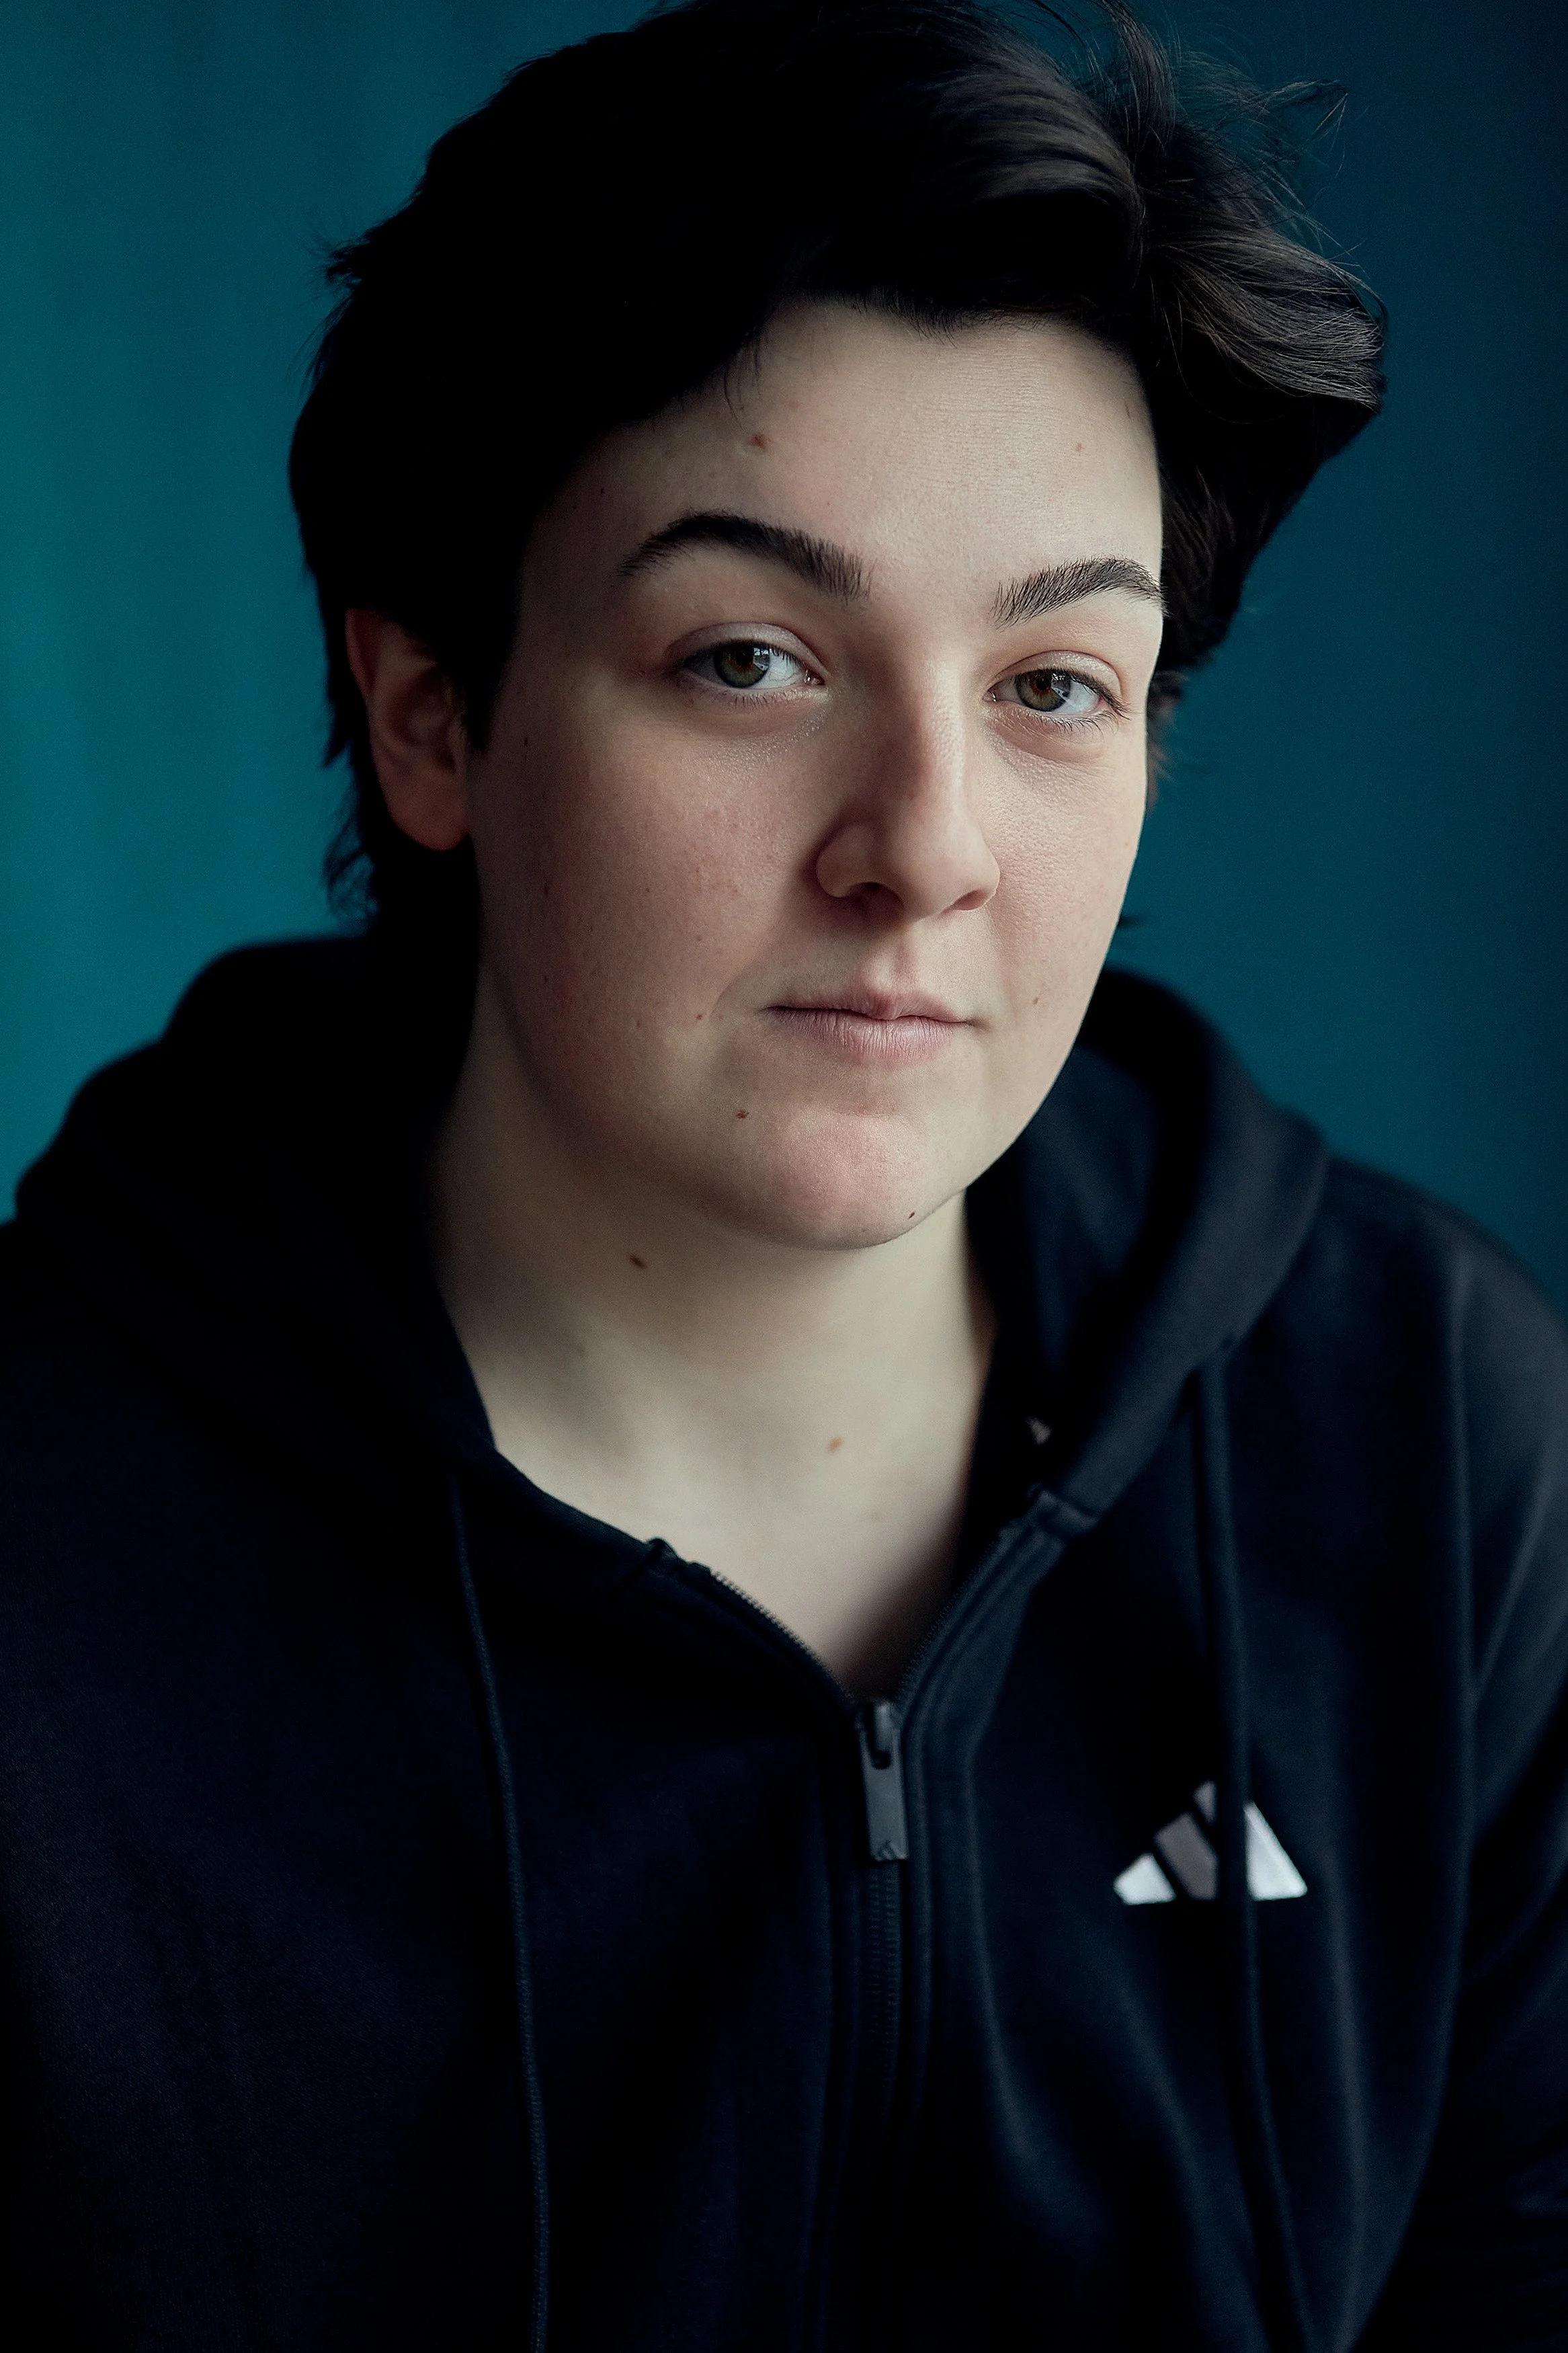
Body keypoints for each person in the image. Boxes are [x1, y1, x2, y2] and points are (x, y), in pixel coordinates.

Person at [3, 0, 1565, 2344]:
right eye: (747, 658)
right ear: (431, 715)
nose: (923, 845)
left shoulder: (1428, 1439)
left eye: (1051, 685)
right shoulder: (44, 1548)